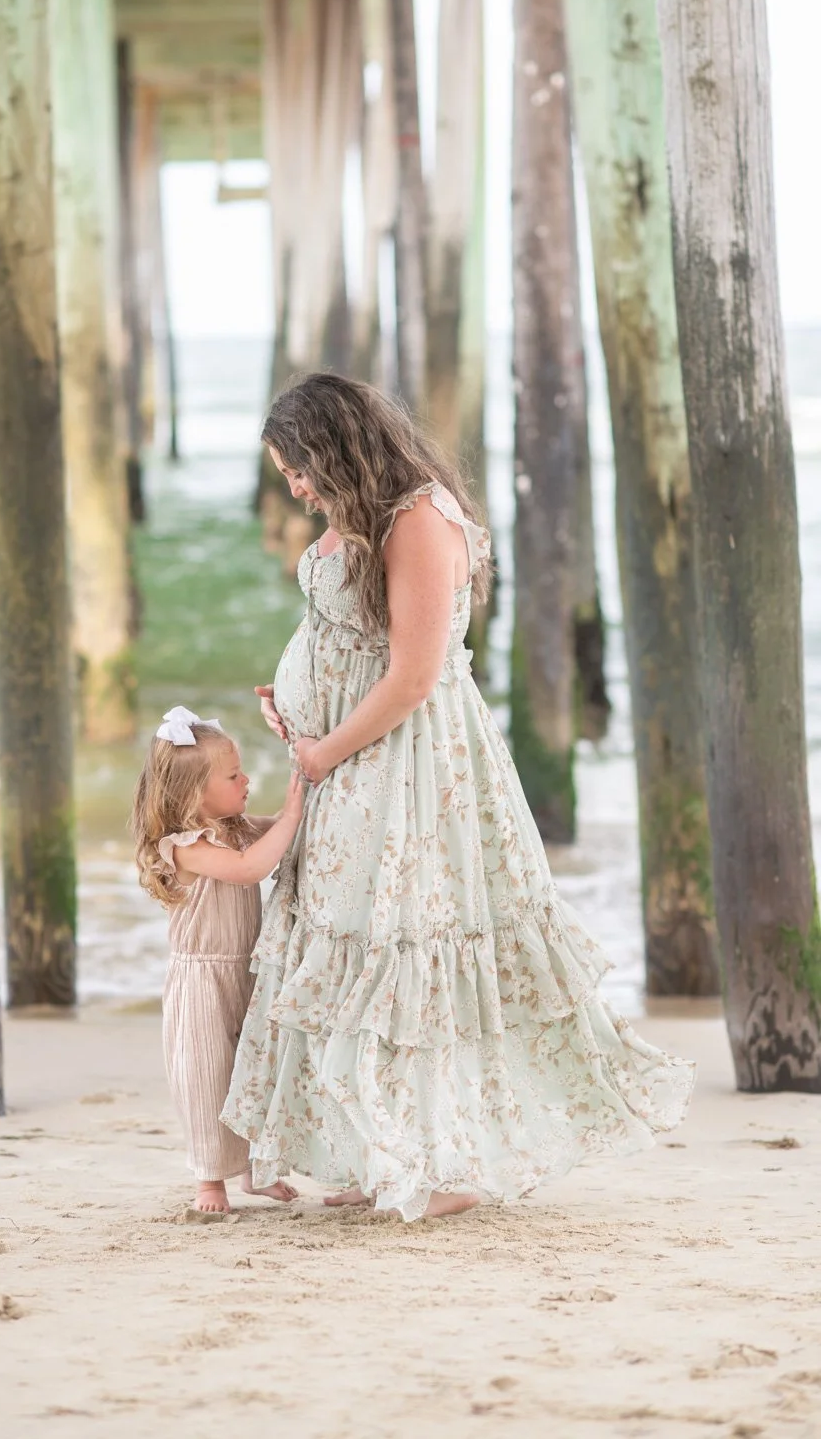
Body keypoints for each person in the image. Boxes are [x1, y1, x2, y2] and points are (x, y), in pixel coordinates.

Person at [222, 374, 694, 1222]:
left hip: (406, 767)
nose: (293, 486)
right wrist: (293, 703)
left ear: (337, 445)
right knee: (352, 943)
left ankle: (445, 1166)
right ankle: (381, 1148)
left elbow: (412, 677)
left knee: (408, 943)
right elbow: (348, 641)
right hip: (344, 764)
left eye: (298, 467)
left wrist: (324, 746)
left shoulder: (420, 520)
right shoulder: (355, 517)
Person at [131, 705, 305, 1213]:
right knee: (207, 1077)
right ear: (193, 795)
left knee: (250, 1071)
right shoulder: (184, 846)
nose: (246, 780)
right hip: (201, 979)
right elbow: (251, 868)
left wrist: (313, 802)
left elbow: (274, 836)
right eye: (233, 775)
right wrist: (292, 815)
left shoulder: (233, 825)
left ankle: (255, 1169)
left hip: (245, 970)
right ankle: (210, 1179)